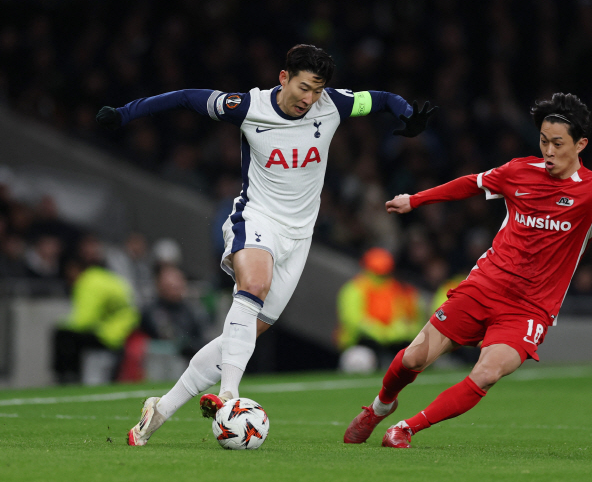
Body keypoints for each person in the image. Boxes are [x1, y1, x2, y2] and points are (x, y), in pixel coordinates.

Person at [96, 44, 437, 446]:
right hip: (256, 220)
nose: (309, 99)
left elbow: (380, 99)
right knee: (252, 287)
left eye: (317, 90)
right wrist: (124, 113)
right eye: (304, 87)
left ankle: (160, 411)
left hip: (299, 238)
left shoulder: (334, 105)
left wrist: (406, 115)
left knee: (239, 338)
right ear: (283, 78)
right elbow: (186, 98)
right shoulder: (247, 106)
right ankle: (229, 397)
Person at [343, 93, 592, 448]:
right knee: (415, 357)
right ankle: (379, 408)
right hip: (484, 286)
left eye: (558, 143)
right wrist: (415, 200)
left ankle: (406, 428)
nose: (549, 151)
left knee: (486, 373)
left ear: (581, 143)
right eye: (543, 141)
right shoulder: (519, 171)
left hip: (530, 308)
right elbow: (470, 183)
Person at [52, 254, 140, 384]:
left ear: (74, 269)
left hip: (108, 334)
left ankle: (67, 378)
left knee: (62, 335)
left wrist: (62, 324)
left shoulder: (87, 281)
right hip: (124, 331)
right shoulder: (106, 277)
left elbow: (84, 320)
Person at [336, 247, 424, 372]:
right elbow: (353, 320)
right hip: (361, 343)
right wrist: (380, 332)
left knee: (414, 358)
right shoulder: (356, 289)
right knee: (358, 359)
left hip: (397, 345)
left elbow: (415, 320)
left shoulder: (403, 290)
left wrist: (397, 332)